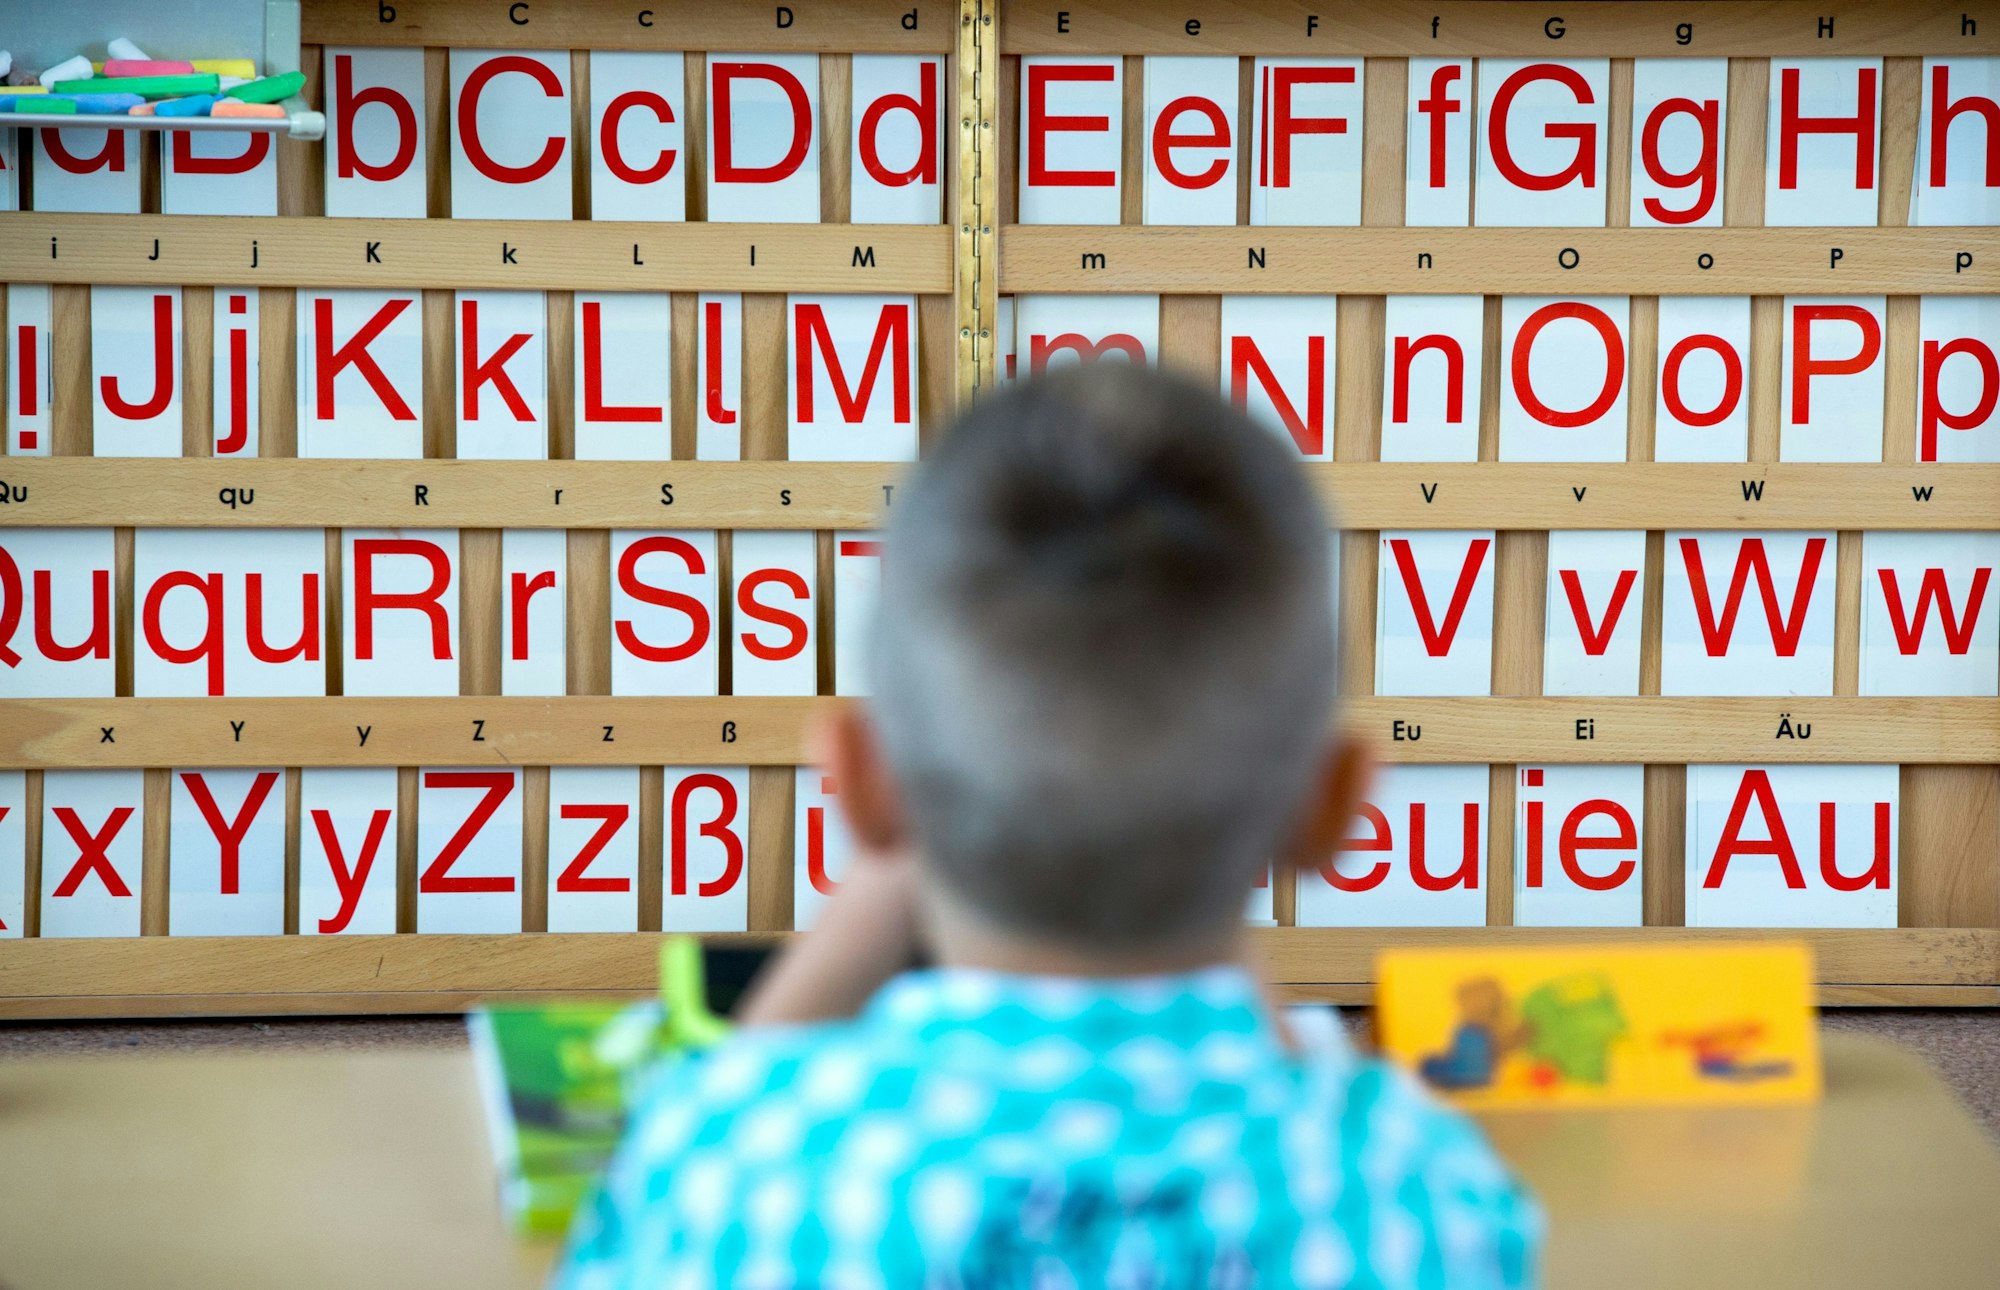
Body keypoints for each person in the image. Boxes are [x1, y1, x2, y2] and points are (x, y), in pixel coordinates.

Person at [552, 366, 1541, 1289]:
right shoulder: (1422, 1192)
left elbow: (657, 1187)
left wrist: (880, 866)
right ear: (1333, 808)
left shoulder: (736, 1169)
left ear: (857, 785)